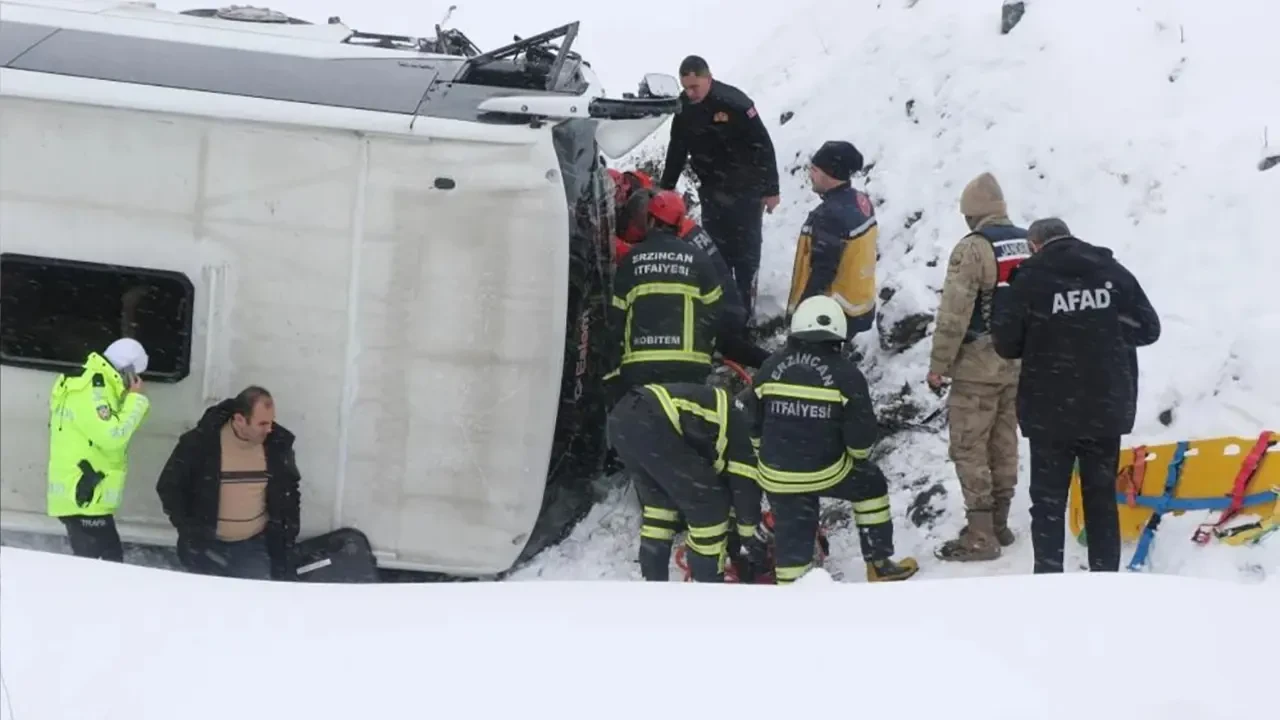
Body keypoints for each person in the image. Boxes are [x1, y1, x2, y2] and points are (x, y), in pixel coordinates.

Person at [991, 218, 1161, 573]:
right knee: (1100, 499)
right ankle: (1105, 577)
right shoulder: (1111, 271)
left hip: (1049, 409)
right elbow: (1148, 329)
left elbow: (1006, 345)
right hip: (1104, 405)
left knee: (1049, 503)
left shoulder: (1028, 280)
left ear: (1034, 245)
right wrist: (1103, 332)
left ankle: (1049, 577)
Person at [738, 296, 919, 584]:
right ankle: (879, 565)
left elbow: (751, 423)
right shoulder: (846, 374)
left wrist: (768, 456)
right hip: (825, 470)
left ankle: (791, 587)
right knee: (870, 483)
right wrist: (852, 455)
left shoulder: (769, 368)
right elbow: (861, 442)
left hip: (775, 474)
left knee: (793, 532)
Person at [927, 172, 1031, 561]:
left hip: (976, 367)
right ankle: (999, 524)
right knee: (1004, 444)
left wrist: (939, 365)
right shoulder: (1027, 242)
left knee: (969, 447)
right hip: (1017, 363)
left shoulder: (973, 248)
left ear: (972, 215)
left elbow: (955, 313)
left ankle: (980, 536)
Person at [660, 55, 780, 325]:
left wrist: (771, 189)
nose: (690, 93)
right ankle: (724, 316)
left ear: (708, 78)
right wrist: (665, 188)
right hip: (713, 191)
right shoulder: (684, 108)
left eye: (695, 87)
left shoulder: (734, 102)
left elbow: (763, 144)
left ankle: (746, 316)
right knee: (717, 256)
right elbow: (677, 150)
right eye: (686, 87)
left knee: (746, 256)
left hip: (746, 191)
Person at [607, 381, 763, 581]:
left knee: (660, 510)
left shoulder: (735, 416)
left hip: (625, 419)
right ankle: (705, 591)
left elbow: (735, 496)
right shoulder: (746, 435)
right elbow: (744, 492)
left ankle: (653, 588)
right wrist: (752, 541)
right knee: (709, 505)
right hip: (653, 418)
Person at [156, 386, 302, 580]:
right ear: (240, 420)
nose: (269, 429)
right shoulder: (201, 443)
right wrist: (189, 530)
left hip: (254, 547)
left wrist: (287, 534)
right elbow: (169, 486)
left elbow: (290, 491)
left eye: (271, 421)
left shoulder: (277, 446)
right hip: (207, 547)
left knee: (253, 604)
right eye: (262, 423)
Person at [604, 190, 725, 400]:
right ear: (679, 225)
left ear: (650, 221)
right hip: (689, 368)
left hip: (640, 368)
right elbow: (716, 312)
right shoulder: (698, 259)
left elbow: (615, 319)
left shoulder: (631, 261)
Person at [46, 338, 151, 562]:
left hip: (84, 492)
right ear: (128, 371)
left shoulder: (90, 383)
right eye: (137, 375)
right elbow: (112, 437)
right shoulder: (95, 390)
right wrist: (136, 400)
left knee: (98, 567)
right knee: (106, 568)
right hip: (85, 494)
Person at [786, 140, 879, 339]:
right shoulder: (860, 201)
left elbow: (823, 270)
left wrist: (804, 310)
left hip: (831, 315)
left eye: (815, 170)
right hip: (857, 305)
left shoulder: (829, 216)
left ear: (831, 175)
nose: (810, 175)